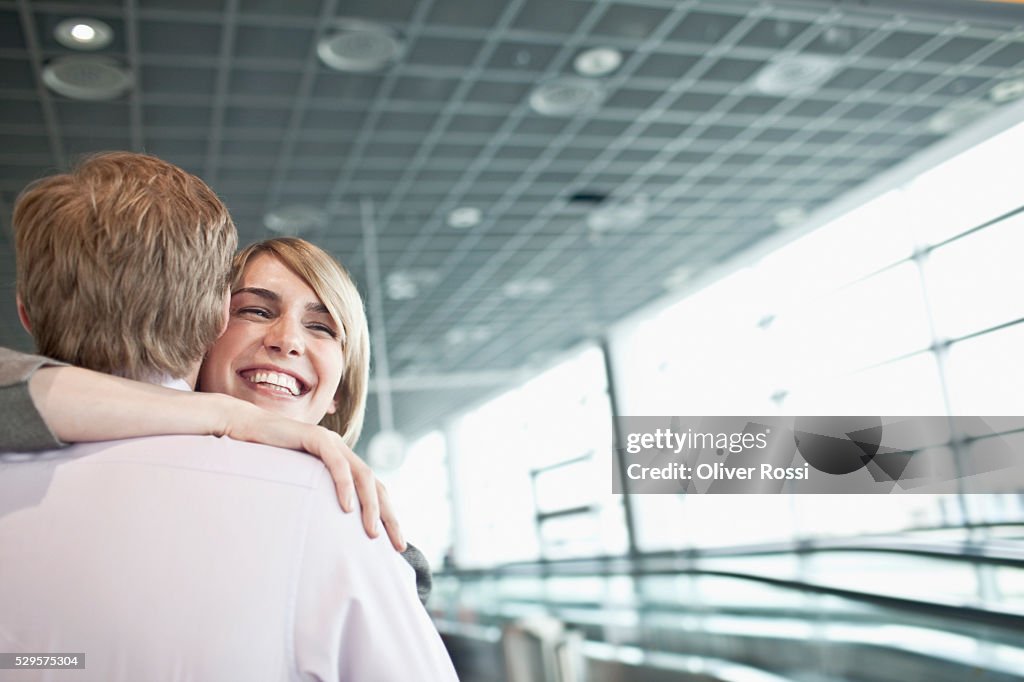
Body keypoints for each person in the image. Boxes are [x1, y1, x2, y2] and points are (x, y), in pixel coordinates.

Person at [0, 152, 457, 680]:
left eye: (323, 328)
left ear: (341, 388)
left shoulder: (350, 523)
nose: (286, 340)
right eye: (255, 311)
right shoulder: (319, 513)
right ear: (211, 321)